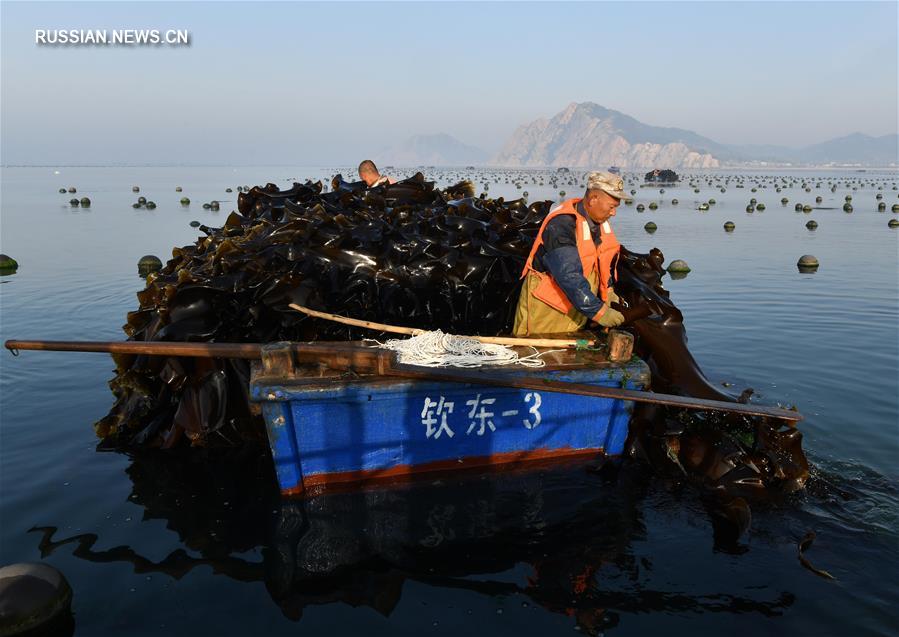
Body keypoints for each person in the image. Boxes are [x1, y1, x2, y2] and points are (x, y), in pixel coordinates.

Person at [512, 171, 630, 336]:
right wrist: (600, 312)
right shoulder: (561, 225)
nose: (613, 213)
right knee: (536, 356)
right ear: (593, 198)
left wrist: (609, 292)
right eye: (611, 207)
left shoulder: (599, 224)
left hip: (576, 308)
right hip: (546, 311)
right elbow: (568, 274)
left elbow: (602, 263)